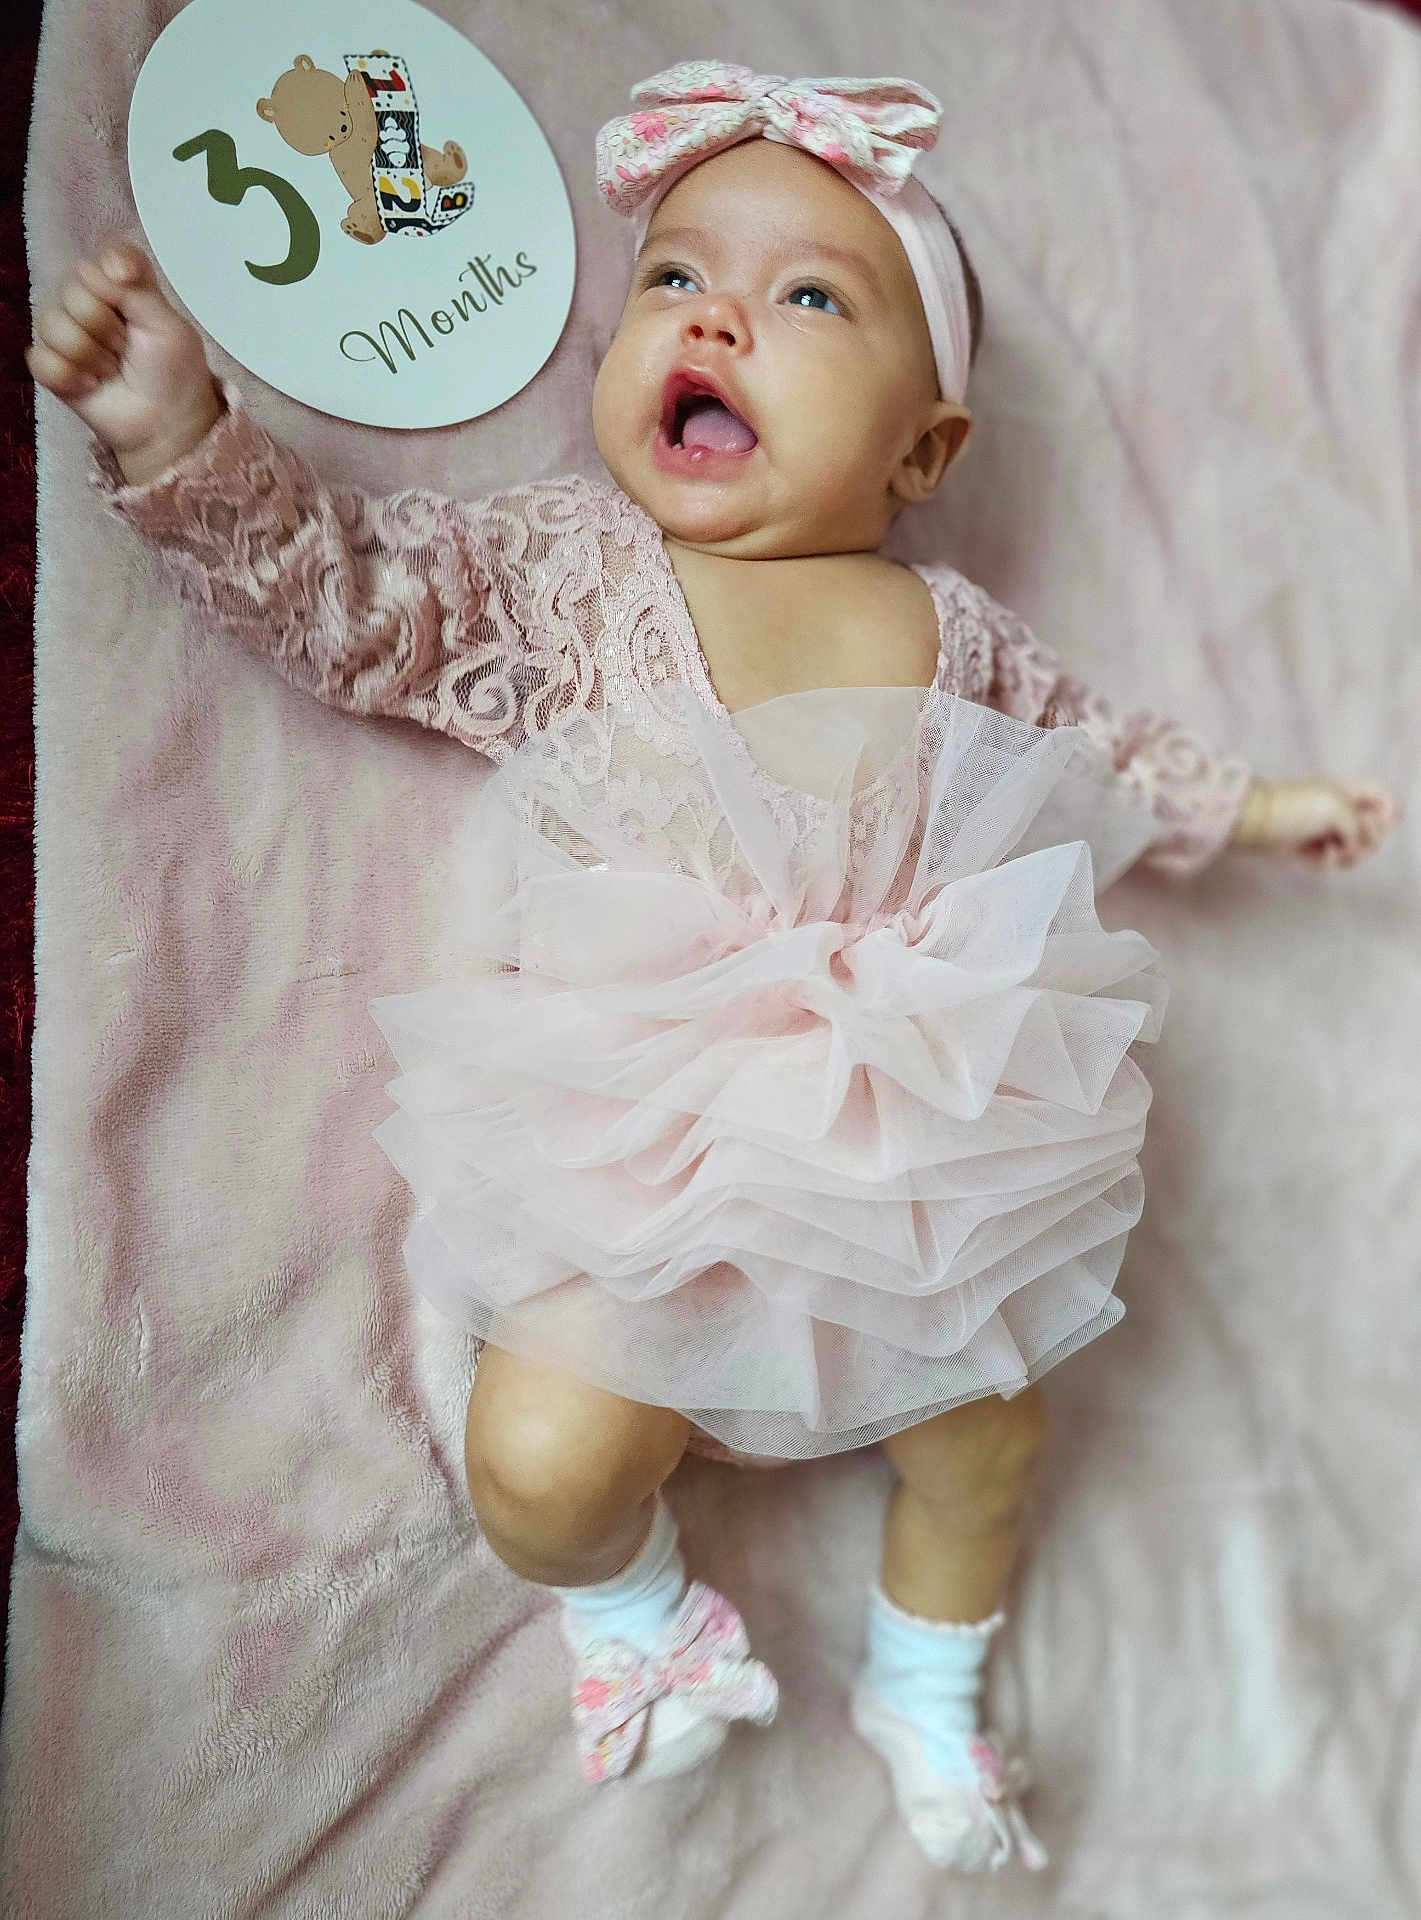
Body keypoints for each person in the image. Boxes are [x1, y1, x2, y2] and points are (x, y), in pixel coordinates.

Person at [28, 59, 1401, 1875]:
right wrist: (180, 436)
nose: (719, 313)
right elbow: (349, 595)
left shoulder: (951, 631)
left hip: (917, 1149)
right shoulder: (571, 572)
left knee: (989, 1449)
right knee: (539, 1463)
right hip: (651, 1151)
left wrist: (1259, 803)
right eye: (674, 278)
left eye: (808, 299)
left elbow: (1099, 743)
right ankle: (640, 1618)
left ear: (922, 450)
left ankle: (922, 1684)